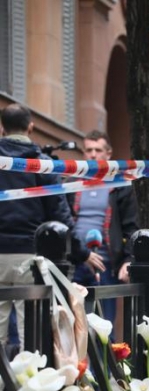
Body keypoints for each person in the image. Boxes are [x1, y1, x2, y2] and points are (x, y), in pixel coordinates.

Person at [0, 104, 91, 349]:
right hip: (30, 257)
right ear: (30, 127)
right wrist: (83, 253)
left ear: (2, 128)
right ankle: (32, 384)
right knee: (30, 331)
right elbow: (61, 215)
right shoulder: (42, 165)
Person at [72, 130, 139, 322]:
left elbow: (130, 226)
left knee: (103, 325)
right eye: (89, 150)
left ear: (108, 154)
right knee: (71, 323)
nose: (93, 155)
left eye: (98, 150)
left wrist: (127, 259)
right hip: (76, 262)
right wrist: (80, 253)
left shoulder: (119, 185)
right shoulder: (70, 184)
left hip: (106, 264)